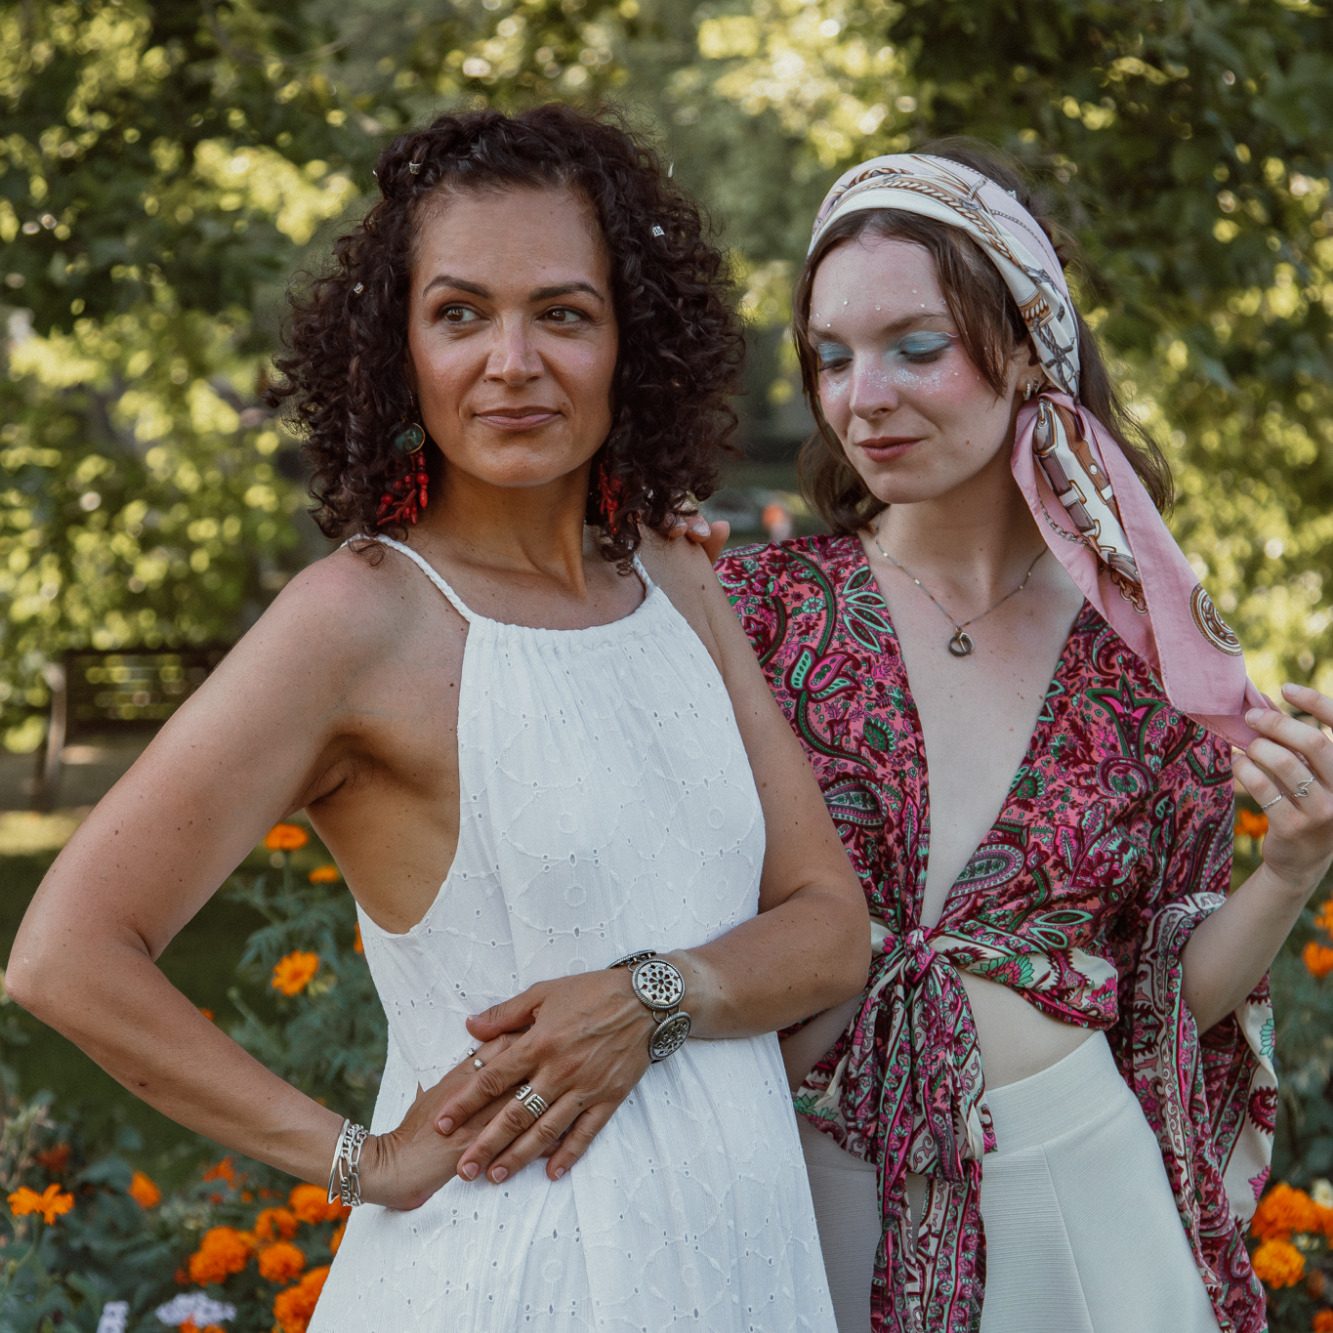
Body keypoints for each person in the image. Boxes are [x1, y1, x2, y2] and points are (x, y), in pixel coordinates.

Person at [7, 106, 870, 1330]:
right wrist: (367, 1160)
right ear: (398, 348)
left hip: (739, 1269)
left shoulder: (677, 581)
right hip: (507, 1276)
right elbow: (66, 955)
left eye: (562, 313)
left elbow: (832, 931)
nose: (511, 360)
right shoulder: (361, 619)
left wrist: (651, 995)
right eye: (460, 313)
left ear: (634, 340)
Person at [714, 143, 1333, 1333]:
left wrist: (1293, 865)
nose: (863, 396)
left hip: (1075, 1211)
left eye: (915, 346)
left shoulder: (1148, 656)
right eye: (831, 357)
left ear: (1027, 349)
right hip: (804, 1198)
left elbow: (1163, 989)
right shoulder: (755, 615)